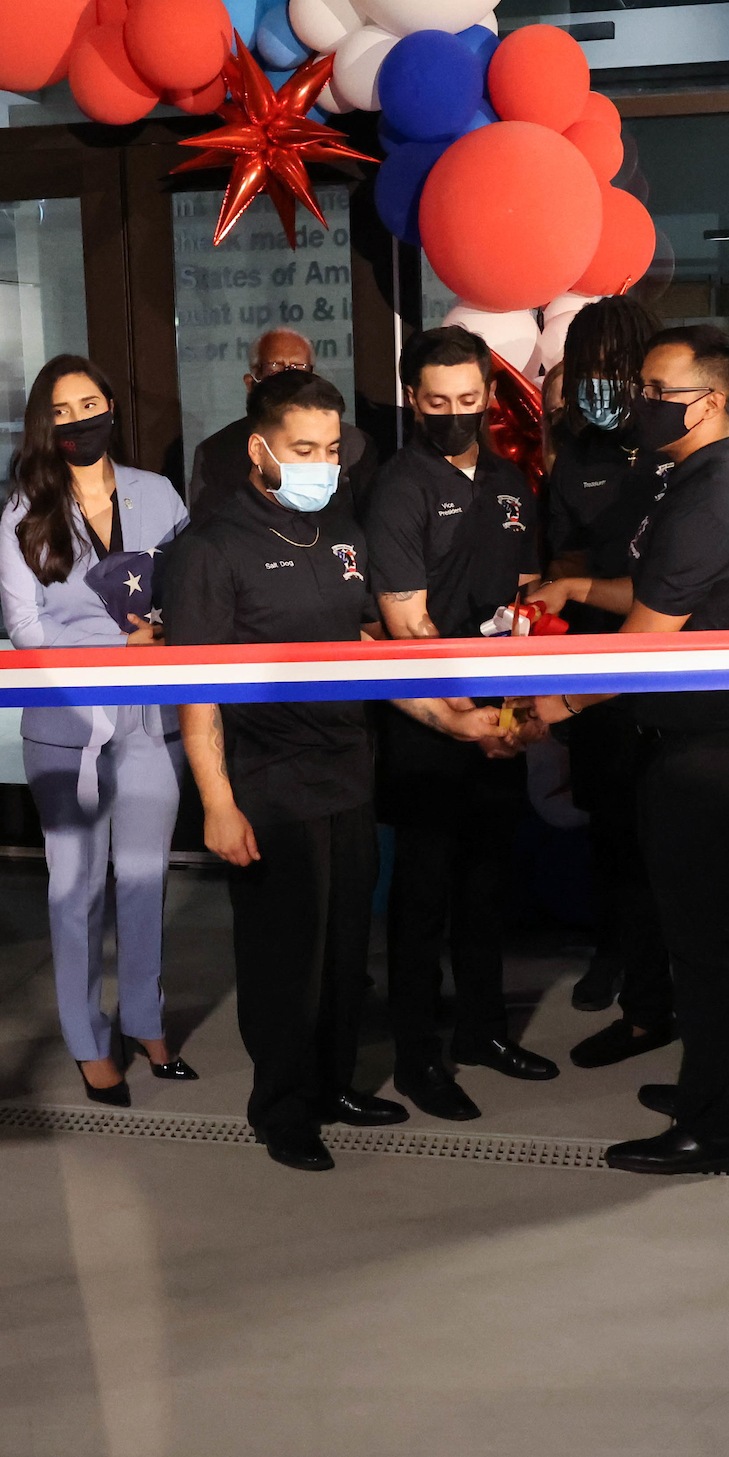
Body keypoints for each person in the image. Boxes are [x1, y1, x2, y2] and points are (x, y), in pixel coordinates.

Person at [164, 370, 502, 1171]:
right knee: (286, 961)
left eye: (331, 449)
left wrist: (445, 714)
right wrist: (217, 801)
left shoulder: (343, 534)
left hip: (349, 770)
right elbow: (196, 688)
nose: (323, 464)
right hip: (270, 783)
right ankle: (282, 1107)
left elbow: (362, 653)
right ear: (259, 448)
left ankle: (334, 1084)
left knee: (348, 951)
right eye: (302, 450)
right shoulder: (210, 550)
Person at [526, 325, 729, 1176]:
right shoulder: (694, 484)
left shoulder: (711, 500)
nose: (640, 405)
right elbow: (662, 594)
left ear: (710, 402)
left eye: (657, 391)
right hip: (715, 736)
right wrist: (576, 586)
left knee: (705, 947)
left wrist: (553, 703)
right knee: (723, 930)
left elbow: (645, 643)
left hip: (705, 750)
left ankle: (713, 1130)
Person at [364, 326, 552, 1121]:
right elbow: (405, 625)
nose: (453, 415)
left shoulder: (512, 481)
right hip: (429, 729)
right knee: (422, 899)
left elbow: (530, 601)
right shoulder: (399, 487)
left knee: (486, 889)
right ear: (414, 399)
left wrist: (513, 716)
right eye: (437, 403)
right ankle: (417, 1058)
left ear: (487, 398)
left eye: (468, 401)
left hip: (500, 725)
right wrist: (461, 718)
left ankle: (483, 1031)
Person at [0, 355, 196, 1104]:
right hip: (66, 722)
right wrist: (121, 646)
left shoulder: (158, 493)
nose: (79, 419)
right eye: (62, 410)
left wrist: (169, 634)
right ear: (45, 425)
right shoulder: (25, 506)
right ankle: (87, 1039)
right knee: (74, 887)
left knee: (145, 879)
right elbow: (22, 628)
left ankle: (146, 1019)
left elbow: (188, 590)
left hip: (152, 720)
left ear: (111, 405)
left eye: (90, 403)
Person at [183, 327, 380, 524]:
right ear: (251, 383)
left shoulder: (354, 445)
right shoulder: (216, 451)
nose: (289, 379)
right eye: (274, 368)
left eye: (299, 368)